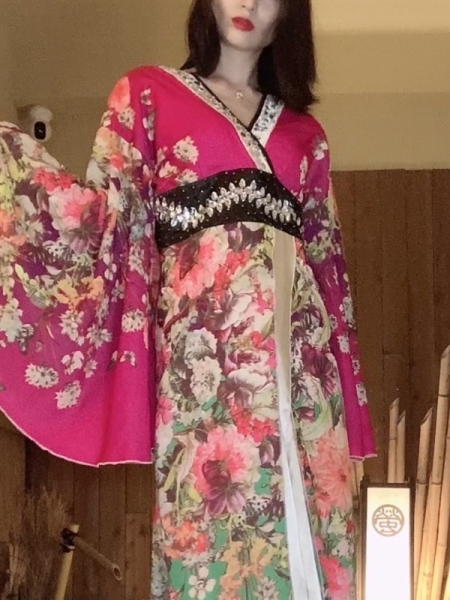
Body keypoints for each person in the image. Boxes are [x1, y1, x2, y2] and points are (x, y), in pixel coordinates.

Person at [0, 0, 376, 597]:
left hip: (306, 381)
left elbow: (330, 276)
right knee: (212, 541)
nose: (248, 3)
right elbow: (103, 220)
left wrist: (348, 409)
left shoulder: (307, 137)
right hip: (206, 384)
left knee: (313, 544)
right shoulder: (147, 96)